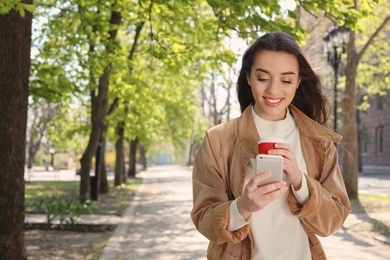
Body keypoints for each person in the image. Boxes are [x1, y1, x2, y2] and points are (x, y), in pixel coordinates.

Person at [190, 32, 350, 260]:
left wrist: (300, 182)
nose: (274, 91)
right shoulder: (218, 140)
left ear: (297, 82)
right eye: (263, 78)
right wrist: (243, 206)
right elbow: (204, 219)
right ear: (248, 77)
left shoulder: (319, 142)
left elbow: (332, 221)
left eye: (286, 80)